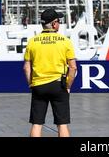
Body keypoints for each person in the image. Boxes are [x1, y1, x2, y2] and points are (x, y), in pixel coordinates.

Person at [23, 9, 77, 137]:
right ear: (53, 24)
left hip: (39, 85)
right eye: (59, 21)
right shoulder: (65, 41)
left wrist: (31, 84)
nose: (59, 24)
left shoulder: (33, 41)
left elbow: (26, 67)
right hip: (59, 85)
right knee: (62, 124)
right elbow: (73, 67)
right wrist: (68, 86)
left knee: (37, 123)